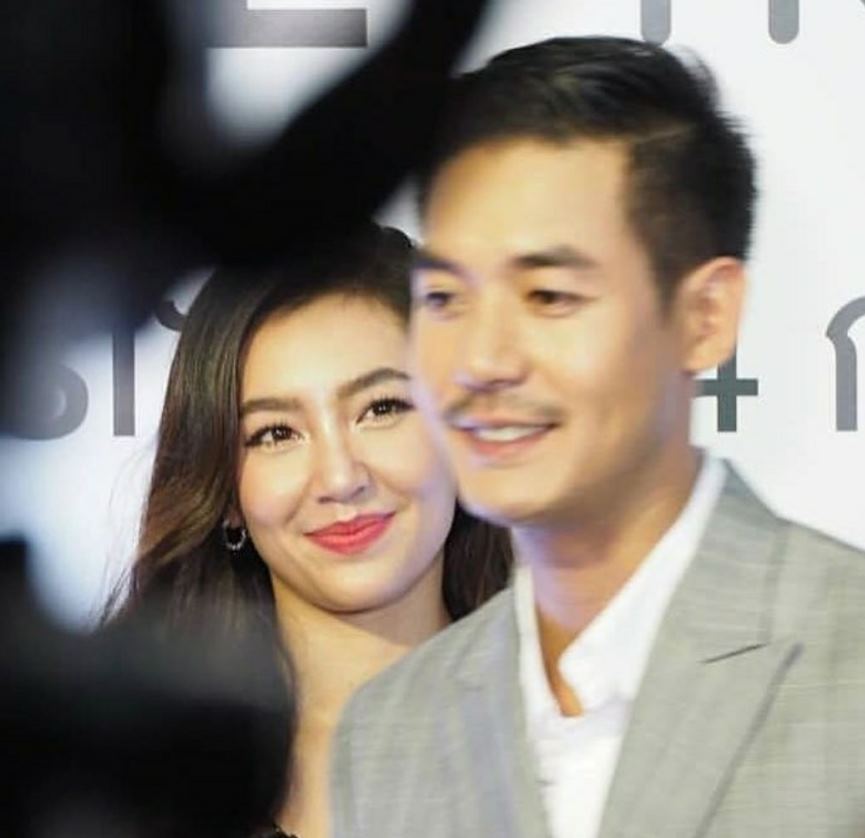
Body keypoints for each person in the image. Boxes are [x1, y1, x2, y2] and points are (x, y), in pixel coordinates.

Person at [331, 37, 865, 837]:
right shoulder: (386, 732)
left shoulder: (846, 657)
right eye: (443, 299)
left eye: (548, 296)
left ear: (705, 316)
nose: (481, 362)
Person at [109, 224, 513, 838]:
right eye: (276, 434)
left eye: (381, 408)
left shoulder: (581, 740)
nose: (340, 478)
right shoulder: (137, 776)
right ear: (226, 496)